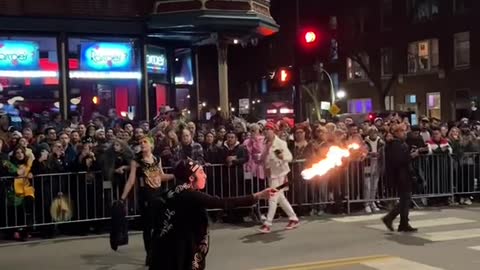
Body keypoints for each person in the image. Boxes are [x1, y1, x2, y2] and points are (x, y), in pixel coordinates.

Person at [149, 159, 275, 270]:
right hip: (178, 252)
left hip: (164, 250)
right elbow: (222, 202)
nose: (205, 176)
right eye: (201, 172)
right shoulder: (190, 195)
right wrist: (258, 196)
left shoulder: (172, 192)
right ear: (191, 178)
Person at [120, 135, 174, 265]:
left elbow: (160, 176)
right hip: (145, 195)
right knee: (148, 227)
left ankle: (156, 251)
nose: (142, 144)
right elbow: (131, 180)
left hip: (158, 194)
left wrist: (176, 174)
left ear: (151, 144)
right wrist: (122, 198)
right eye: (140, 142)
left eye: (145, 142)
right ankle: (149, 254)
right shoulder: (136, 161)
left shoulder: (157, 159)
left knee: (160, 226)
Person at [259, 122, 299, 233]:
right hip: (271, 174)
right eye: (265, 130)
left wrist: (282, 157)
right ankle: (293, 218)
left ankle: (267, 223)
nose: (266, 131)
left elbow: (289, 157)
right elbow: (263, 158)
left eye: (268, 129)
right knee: (280, 198)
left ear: (273, 131)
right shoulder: (265, 144)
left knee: (273, 197)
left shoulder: (280, 143)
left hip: (280, 174)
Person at [382, 123, 418, 232]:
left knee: (405, 199)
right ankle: (390, 218)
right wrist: (411, 156)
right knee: (405, 199)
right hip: (400, 175)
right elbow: (398, 161)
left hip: (404, 174)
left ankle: (403, 223)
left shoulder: (401, 144)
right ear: (397, 133)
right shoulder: (394, 144)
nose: (405, 133)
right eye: (402, 131)